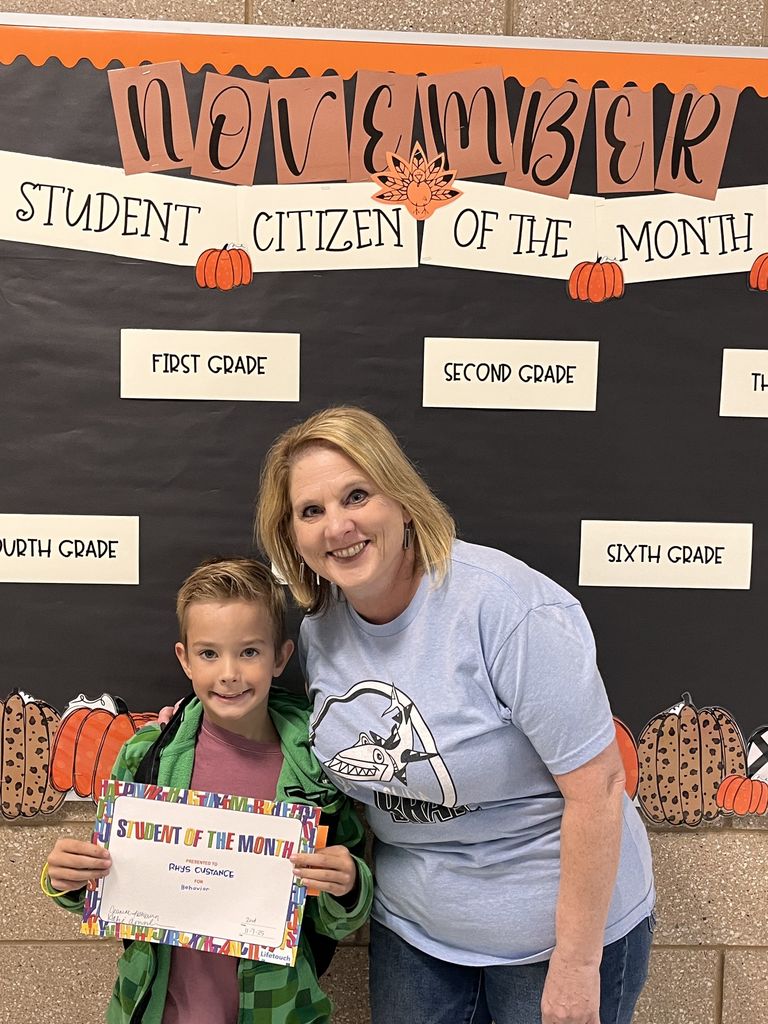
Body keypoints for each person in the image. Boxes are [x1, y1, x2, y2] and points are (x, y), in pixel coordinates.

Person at [253, 406, 655, 1024]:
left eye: (357, 495)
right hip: (415, 935)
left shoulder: (505, 609)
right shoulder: (319, 634)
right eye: (311, 511)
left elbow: (598, 788)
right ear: (293, 536)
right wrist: (206, 721)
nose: (337, 526)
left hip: (551, 941)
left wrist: (576, 968)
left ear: (403, 501)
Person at [42, 557, 373, 1024]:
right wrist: (67, 880)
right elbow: (107, 882)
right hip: (156, 1009)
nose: (229, 674)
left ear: (281, 657)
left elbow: (339, 916)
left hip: (275, 1009)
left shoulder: (316, 769)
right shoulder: (147, 757)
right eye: (210, 653)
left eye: (250, 652)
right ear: (185, 659)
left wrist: (348, 883)